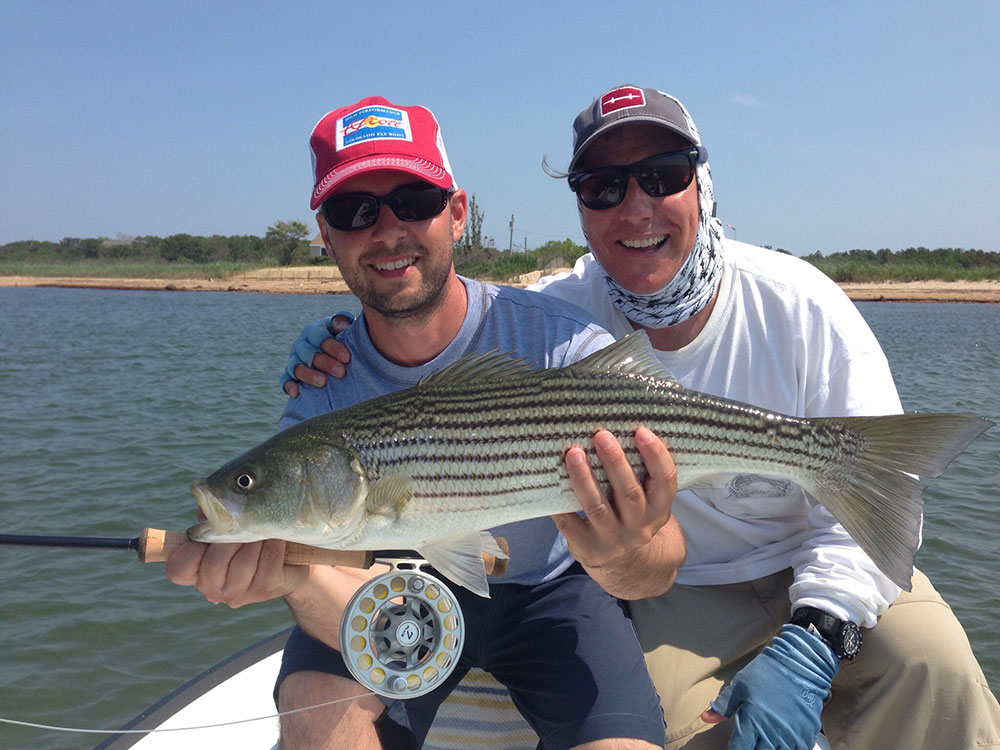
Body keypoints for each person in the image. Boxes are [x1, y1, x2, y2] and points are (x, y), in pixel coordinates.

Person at [283, 85, 1000, 749]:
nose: (635, 208)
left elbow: (868, 508)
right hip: (676, 593)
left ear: (703, 183)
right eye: (602, 187)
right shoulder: (564, 316)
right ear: (582, 207)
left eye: (662, 175)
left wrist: (818, 635)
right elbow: (450, 318)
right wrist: (342, 334)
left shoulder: (802, 303)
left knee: (936, 667)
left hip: (814, 561)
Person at [168, 95, 682, 750]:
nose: (387, 230)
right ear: (325, 236)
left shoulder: (565, 347)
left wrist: (628, 552)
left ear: (457, 213)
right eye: (355, 212)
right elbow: (343, 575)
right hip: (393, 584)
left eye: (413, 200)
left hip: (553, 592)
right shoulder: (320, 389)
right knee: (314, 708)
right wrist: (291, 575)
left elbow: (661, 566)